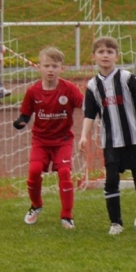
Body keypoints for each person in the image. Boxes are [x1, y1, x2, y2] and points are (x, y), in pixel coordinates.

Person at [79, 36, 136, 235]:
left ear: (117, 56)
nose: (105, 56)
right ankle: (116, 223)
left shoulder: (127, 78)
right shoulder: (92, 86)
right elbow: (89, 114)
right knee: (111, 180)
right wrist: (84, 136)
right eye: (101, 52)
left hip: (135, 139)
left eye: (110, 52)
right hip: (111, 142)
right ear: (94, 56)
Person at [14, 46, 84, 229]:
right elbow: (25, 114)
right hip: (41, 141)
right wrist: (20, 122)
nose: (50, 70)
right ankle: (36, 205)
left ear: (62, 68)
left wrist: (95, 106)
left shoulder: (69, 89)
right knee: (34, 171)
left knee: (65, 172)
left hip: (63, 140)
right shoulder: (33, 91)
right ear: (39, 68)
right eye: (46, 66)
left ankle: (67, 215)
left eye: (54, 66)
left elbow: (84, 104)